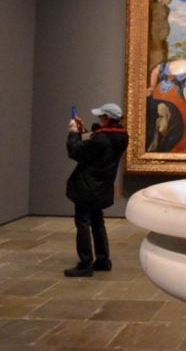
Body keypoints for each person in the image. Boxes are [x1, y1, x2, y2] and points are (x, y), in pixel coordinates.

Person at [65, 103, 129, 277]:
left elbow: (76, 151)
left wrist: (73, 132)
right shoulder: (122, 136)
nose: (99, 119)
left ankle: (85, 263)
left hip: (87, 186)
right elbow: (95, 148)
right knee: (98, 222)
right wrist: (84, 130)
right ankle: (102, 259)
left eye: (101, 116)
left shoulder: (102, 138)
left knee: (83, 223)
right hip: (102, 186)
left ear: (108, 118)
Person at [146, 47, 186, 153]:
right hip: (173, 95)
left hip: (158, 92)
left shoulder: (171, 63)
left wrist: (153, 86)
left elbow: (155, 71)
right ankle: (180, 147)